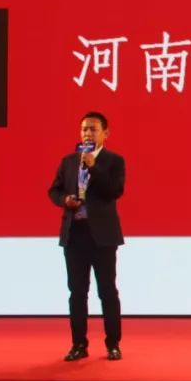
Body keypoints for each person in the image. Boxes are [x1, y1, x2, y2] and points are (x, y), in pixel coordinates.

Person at [48, 111, 126, 361]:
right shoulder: (69, 161)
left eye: (93, 129)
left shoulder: (114, 161)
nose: (87, 133)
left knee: (107, 292)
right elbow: (54, 190)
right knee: (77, 292)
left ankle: (113, 344)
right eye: (84, 129)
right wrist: (65, 200)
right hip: (75, 235)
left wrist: (94, 167)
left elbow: (114, 191)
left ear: (105, 133)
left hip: (103, 237)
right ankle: (78, 344)